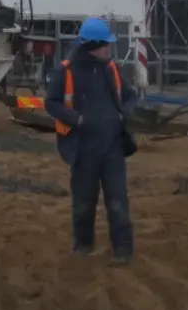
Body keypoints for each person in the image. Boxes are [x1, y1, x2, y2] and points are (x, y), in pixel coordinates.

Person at [44, 16, 136, 264]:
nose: (109, 48)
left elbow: (129, 97)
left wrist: (126, 113)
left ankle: (124, 250)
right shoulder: (66, 71)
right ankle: (83, 245)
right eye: (106, 44)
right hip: (83, 150)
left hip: (113, 148)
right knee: (84, 201)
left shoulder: (111, 69)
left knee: (117, 199)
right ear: (92, 45)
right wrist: (76, 119)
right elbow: (51, 103)